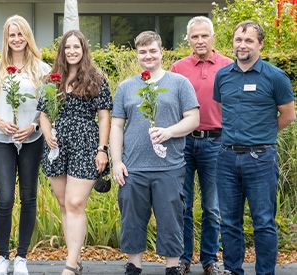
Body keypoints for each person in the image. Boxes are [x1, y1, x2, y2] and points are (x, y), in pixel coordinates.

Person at [110, 31, 199, 275]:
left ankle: (171, 267)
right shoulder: (127, 87)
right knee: (131, 219)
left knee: (171, 219)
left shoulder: (179, 83)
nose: (148, 56)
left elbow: (193, 119)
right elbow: (117, 125)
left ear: (162, 52)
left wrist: (169, 132)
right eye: (142, 52)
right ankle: (134, 265)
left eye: (152, 51)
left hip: (169, 167)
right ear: (137, 55)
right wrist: (116, 162)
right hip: (133, 167)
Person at [213, 20, 295, 275]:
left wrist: (262, 134)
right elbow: (219, 108)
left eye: (249, 40)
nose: (242, 45)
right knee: (228, 222)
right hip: (226, 158)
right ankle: (233, 271)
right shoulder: (223, 75)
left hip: (260, 159)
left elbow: (287, 115)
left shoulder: (275, 77)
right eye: (238, 39)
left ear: (260, 44)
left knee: (263, 223)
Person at [37, 30, 112, 275]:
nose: (71, 51)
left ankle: (70, 265)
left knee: (75, 202)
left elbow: (103, 116)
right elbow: (44, 113)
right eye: (67, 47)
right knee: (63, 203)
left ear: (83, 50)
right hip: (57, 147)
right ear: (62, 50)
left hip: (85, 143)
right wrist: (47, 133)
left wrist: (102, 149)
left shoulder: (96, 78)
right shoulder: (52, 79)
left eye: (76, 47)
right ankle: (75, 258)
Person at [0, 15, 49, 275]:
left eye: (21, 34)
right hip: (2, 140)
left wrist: (32, 126)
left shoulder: (42, 69)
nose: (17, 39)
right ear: (6, 39)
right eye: (12, 35)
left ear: (27, 37)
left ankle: (21, 256)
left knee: (28, 197)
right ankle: (2, 257)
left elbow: (47, 106)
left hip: (31, 140)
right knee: (5, 198)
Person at [170, 16, 232, 275]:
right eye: (194, 36)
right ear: (188, 39)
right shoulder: (178, 67)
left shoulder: (228, 66)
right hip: (183, 142)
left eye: (204, 35)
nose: (199, 40)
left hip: (216, 143)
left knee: (212, 205)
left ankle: (209, 259)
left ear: (213, 37)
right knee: (181, 204)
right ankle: (183, 258)